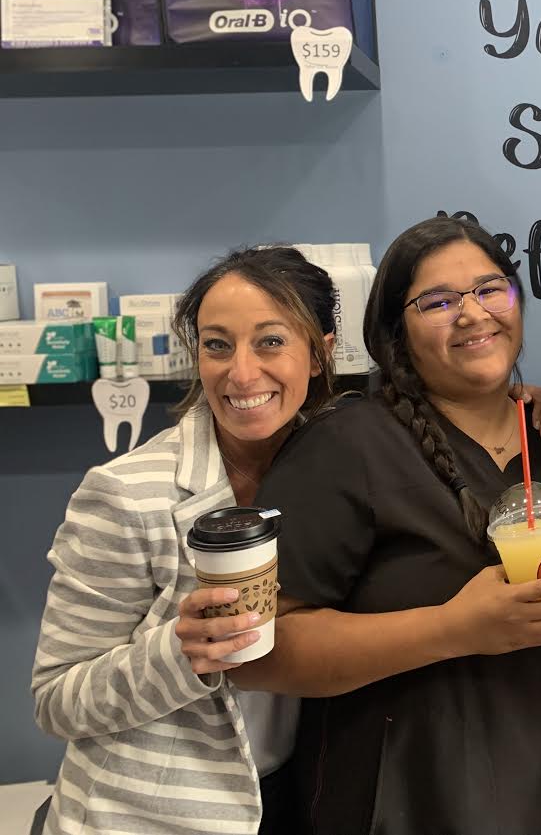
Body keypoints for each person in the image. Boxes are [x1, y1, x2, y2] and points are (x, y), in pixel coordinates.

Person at [230, 216, 541, 835]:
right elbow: (255, 654)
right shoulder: (349, 446)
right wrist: (452, 628)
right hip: (403, 801)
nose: (473, 313)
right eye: (438, 301)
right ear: (395, 332)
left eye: (491, 289)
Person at [31, 246, 338, 835]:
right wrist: (179, 654)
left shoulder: (343, 474)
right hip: (143, 816)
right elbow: (56, 699)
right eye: (217, 345)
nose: (241, 373)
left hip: (294, 797)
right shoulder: (126, 492)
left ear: (321, 353)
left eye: (271, 341)